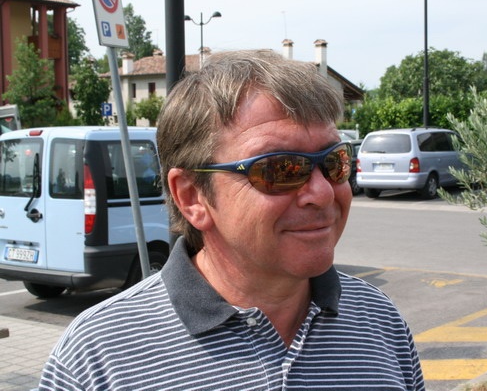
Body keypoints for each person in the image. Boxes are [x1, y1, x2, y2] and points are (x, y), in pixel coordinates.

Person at [38, 49, 425, 390]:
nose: (323, 193)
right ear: (191, 197)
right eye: (280, 169)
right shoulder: (98, 358)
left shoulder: (380, 321)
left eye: (334, 162)